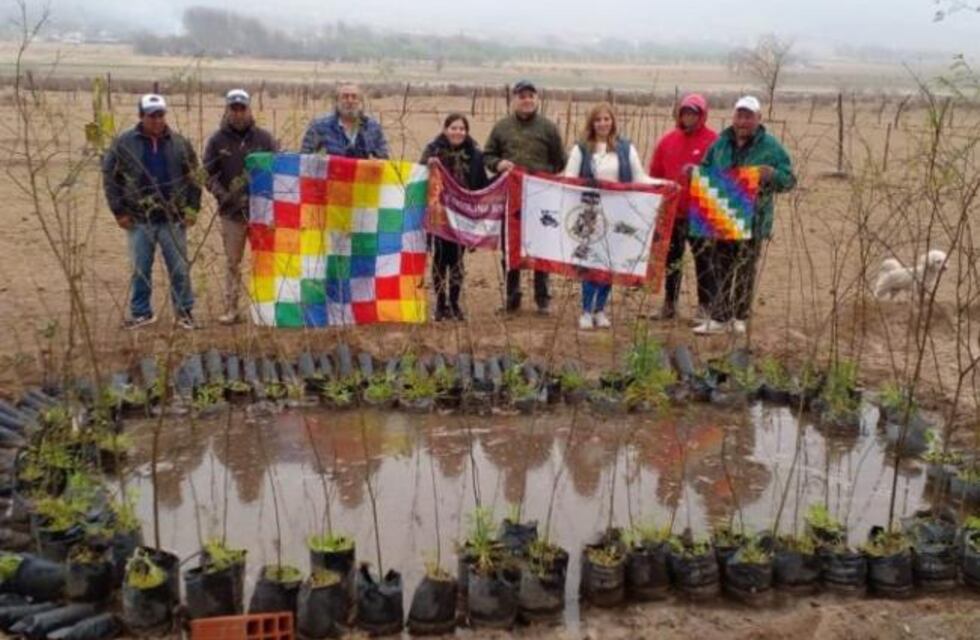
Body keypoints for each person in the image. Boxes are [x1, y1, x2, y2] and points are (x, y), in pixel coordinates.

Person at [694, 95, 796, 336]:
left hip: (754, 218)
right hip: (721, 214)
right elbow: (706, 168)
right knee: (718, 267)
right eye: (739, 115)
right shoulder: (721, 143)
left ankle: (740, 317)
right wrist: (696, 174)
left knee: (745, 269)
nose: (743, 121)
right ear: (733, 118)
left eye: (749, 116)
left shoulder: (771, 147)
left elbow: (789, 180)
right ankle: (719, 317)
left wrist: (772, 175)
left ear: (758, 119)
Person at [102, 94, 201, 330]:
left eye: (160, 115)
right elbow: (110, 178)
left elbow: (194, 178)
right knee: (141, 269)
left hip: (173, 218)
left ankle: (184, 313)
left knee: (179, 269)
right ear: (141, 116)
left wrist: (192, 208)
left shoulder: (180, 143)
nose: (157, 120)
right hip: (139, 218)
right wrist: (119, 211)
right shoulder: (123, 143)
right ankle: (141, 313)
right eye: (151, 115)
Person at [563, 102, 661, 330]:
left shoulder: (626, 148)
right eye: (598, 120)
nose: (603, 124)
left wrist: (664, 184)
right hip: (589, 215)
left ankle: (600, 309)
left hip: (619, 215)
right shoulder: (581, 149)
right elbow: (570, 178)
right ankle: (586, 311)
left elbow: (639, 178)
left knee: (609, 263)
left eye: (606, 119)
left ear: (612, 121)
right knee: (590, 262)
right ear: (592, 123)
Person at [484, 80, 566, 315]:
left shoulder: (548, 128)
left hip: (542, 197)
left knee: (541, 247)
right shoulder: (501, 128)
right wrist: (498, 163)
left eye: (531, 95)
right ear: (514, 100)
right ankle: (512, 296)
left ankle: (542, 299)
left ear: (537, 99)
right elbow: (488, 155)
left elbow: (560, 159)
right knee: (511, 246)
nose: (527, 100)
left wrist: (543, 175)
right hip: (511, 198)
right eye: (522, 96)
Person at [203, 89, 279, 325]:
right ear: (227, 110)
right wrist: (223, 195)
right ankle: (231, 308)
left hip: (262, 214)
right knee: (233, 262)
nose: (238, 113)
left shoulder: (265, 139)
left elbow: (279, 170)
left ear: (249, 109)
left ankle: (267, 308)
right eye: (233, 108)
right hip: (232, 214)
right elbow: (207, 174)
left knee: (266, 260)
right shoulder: (217, 140)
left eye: (242, 108)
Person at [648, 93, 718, 322]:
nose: (688, 117)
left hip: (703, 213)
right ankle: (670, 304)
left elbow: (723, 177)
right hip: (673, 212)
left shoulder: (713, 142)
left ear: (702, 115)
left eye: (693, 113)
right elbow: (656, 174)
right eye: (685, 112)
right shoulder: (668, 141)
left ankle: (706, 306)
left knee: (704, 260)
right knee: (672, 259)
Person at [420, 113, 490, 321]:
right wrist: (428, 164)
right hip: (439, 216)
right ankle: (440, 305)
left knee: (457, 261)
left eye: (461, 128)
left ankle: (455, 303)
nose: (457, 132)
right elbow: (420, 174)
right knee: (440, 260)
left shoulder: (475, 155)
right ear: (445, 129)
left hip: (463, 216)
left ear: (466, 132)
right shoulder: (433, 151)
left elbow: (481, 184)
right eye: (453, 128)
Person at [300, 83, 389, 158]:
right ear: (336, 101)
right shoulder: (319, 126)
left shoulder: (373, 127)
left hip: (362, 178)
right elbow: (304, 158)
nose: (350, 101)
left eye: (354, 97)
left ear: (361, 101)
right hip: (331, 177)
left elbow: (384, 159)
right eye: (345, 97)